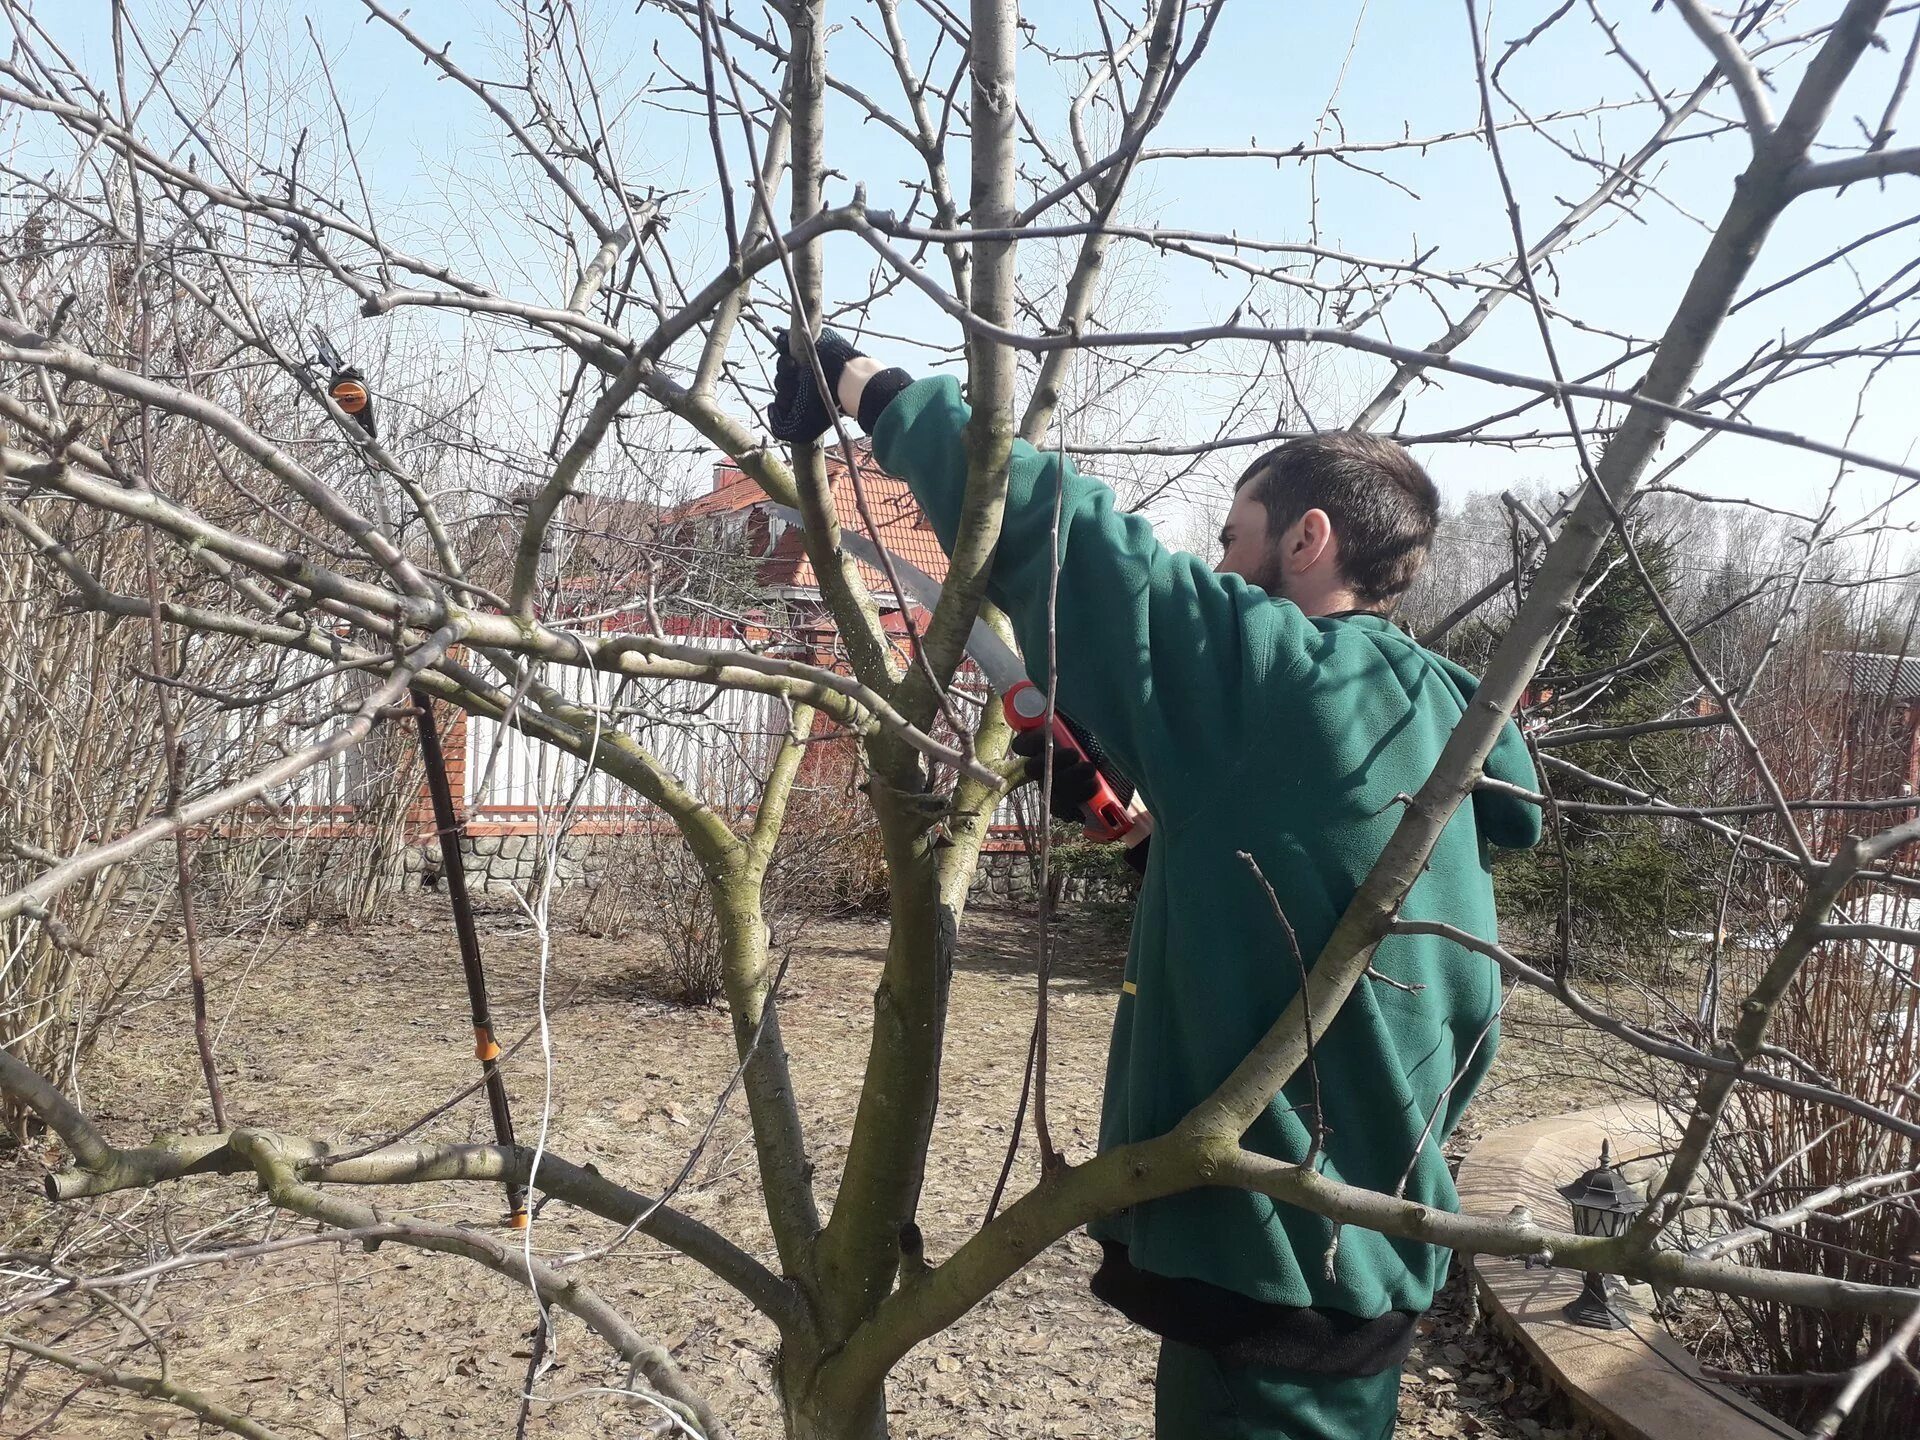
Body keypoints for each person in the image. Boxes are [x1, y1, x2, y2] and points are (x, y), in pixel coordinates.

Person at [767, 330, 1541, 1440]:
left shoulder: (1279, 671)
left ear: (1310, 538)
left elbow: (1062, 534)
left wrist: (860, 386)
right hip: (1361, 1229)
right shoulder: (1436, 712)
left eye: (1235, 541)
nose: (1221, 568)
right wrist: (1145, 843)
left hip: (1275, 1252)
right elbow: (1331, 896)